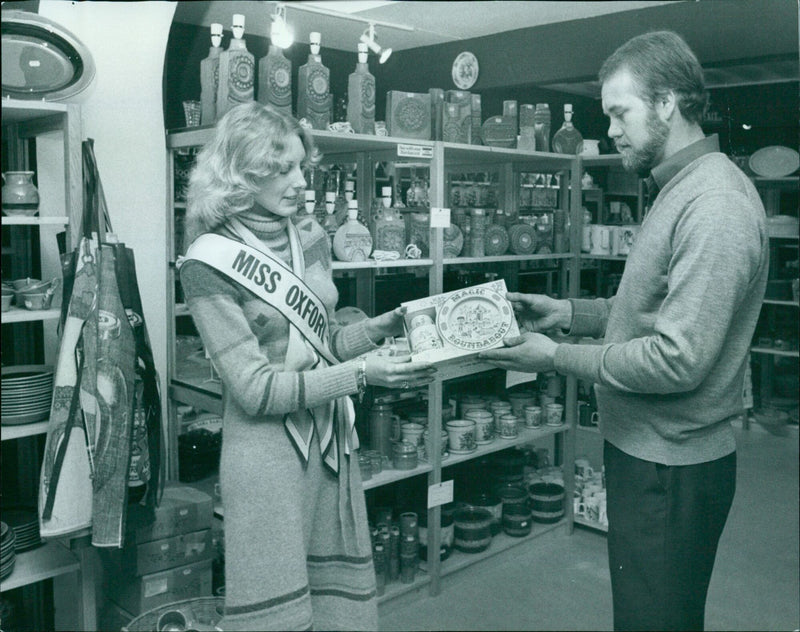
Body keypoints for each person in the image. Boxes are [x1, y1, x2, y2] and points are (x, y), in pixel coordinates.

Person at [480, 31, 768, 631]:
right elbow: (645, 309)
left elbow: (675, 360)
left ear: (667, 102)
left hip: (672, 467)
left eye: (620, 112)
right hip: (650, 455)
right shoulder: (679, 187)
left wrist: (557, 355)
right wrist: (567, 313)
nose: (609, 128)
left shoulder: (715, 204)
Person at [179, 101, 436, 631]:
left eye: (302, 165)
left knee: (336, 611)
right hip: (266, 457)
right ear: (240, 173)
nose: (301, 181)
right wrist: (364, 375)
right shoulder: (207, 261)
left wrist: (378, 328)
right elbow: (253, 390)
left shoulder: (312, 236)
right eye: (282, 169)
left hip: (329, 445)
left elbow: (327, 342)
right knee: (278, 614)